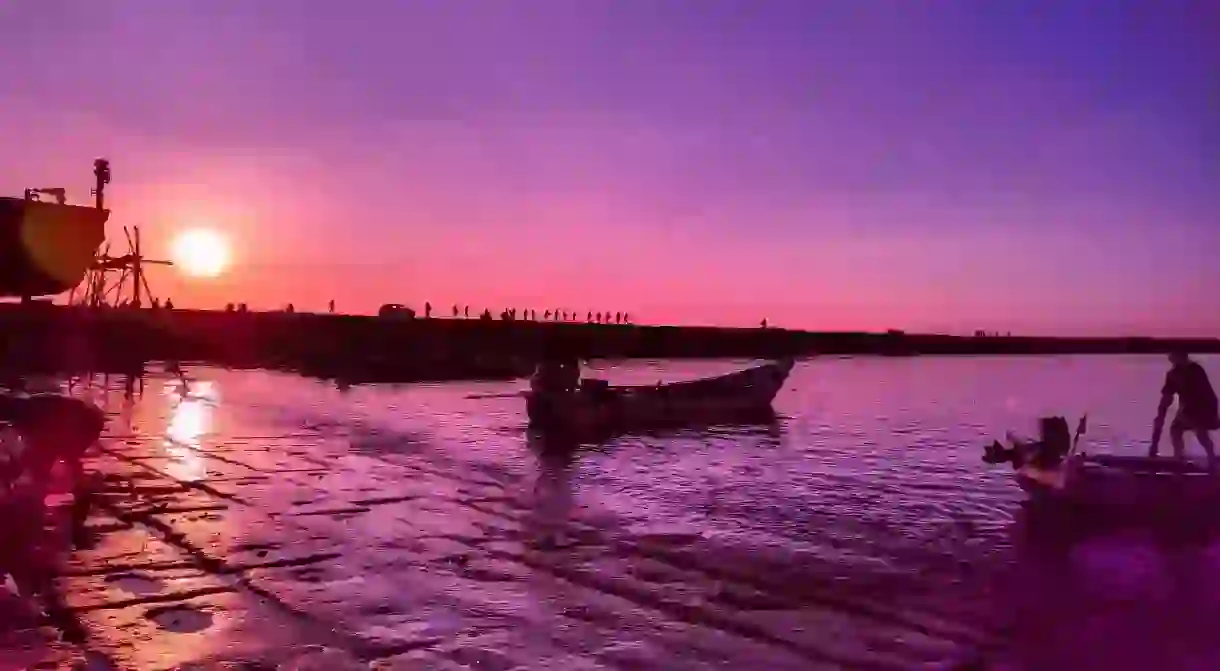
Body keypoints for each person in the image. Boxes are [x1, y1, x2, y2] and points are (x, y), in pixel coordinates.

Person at [1150, 350, 1218, 465]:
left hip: (1201, 408)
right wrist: (1161, 413)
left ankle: (1209, 458)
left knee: (1199, 433)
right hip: (1191, 409)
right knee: (1178, 430)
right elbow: (1168, 396)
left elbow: (1204, 393)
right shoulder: (1174, 374)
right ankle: (1180, 456)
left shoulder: (1195, 371)